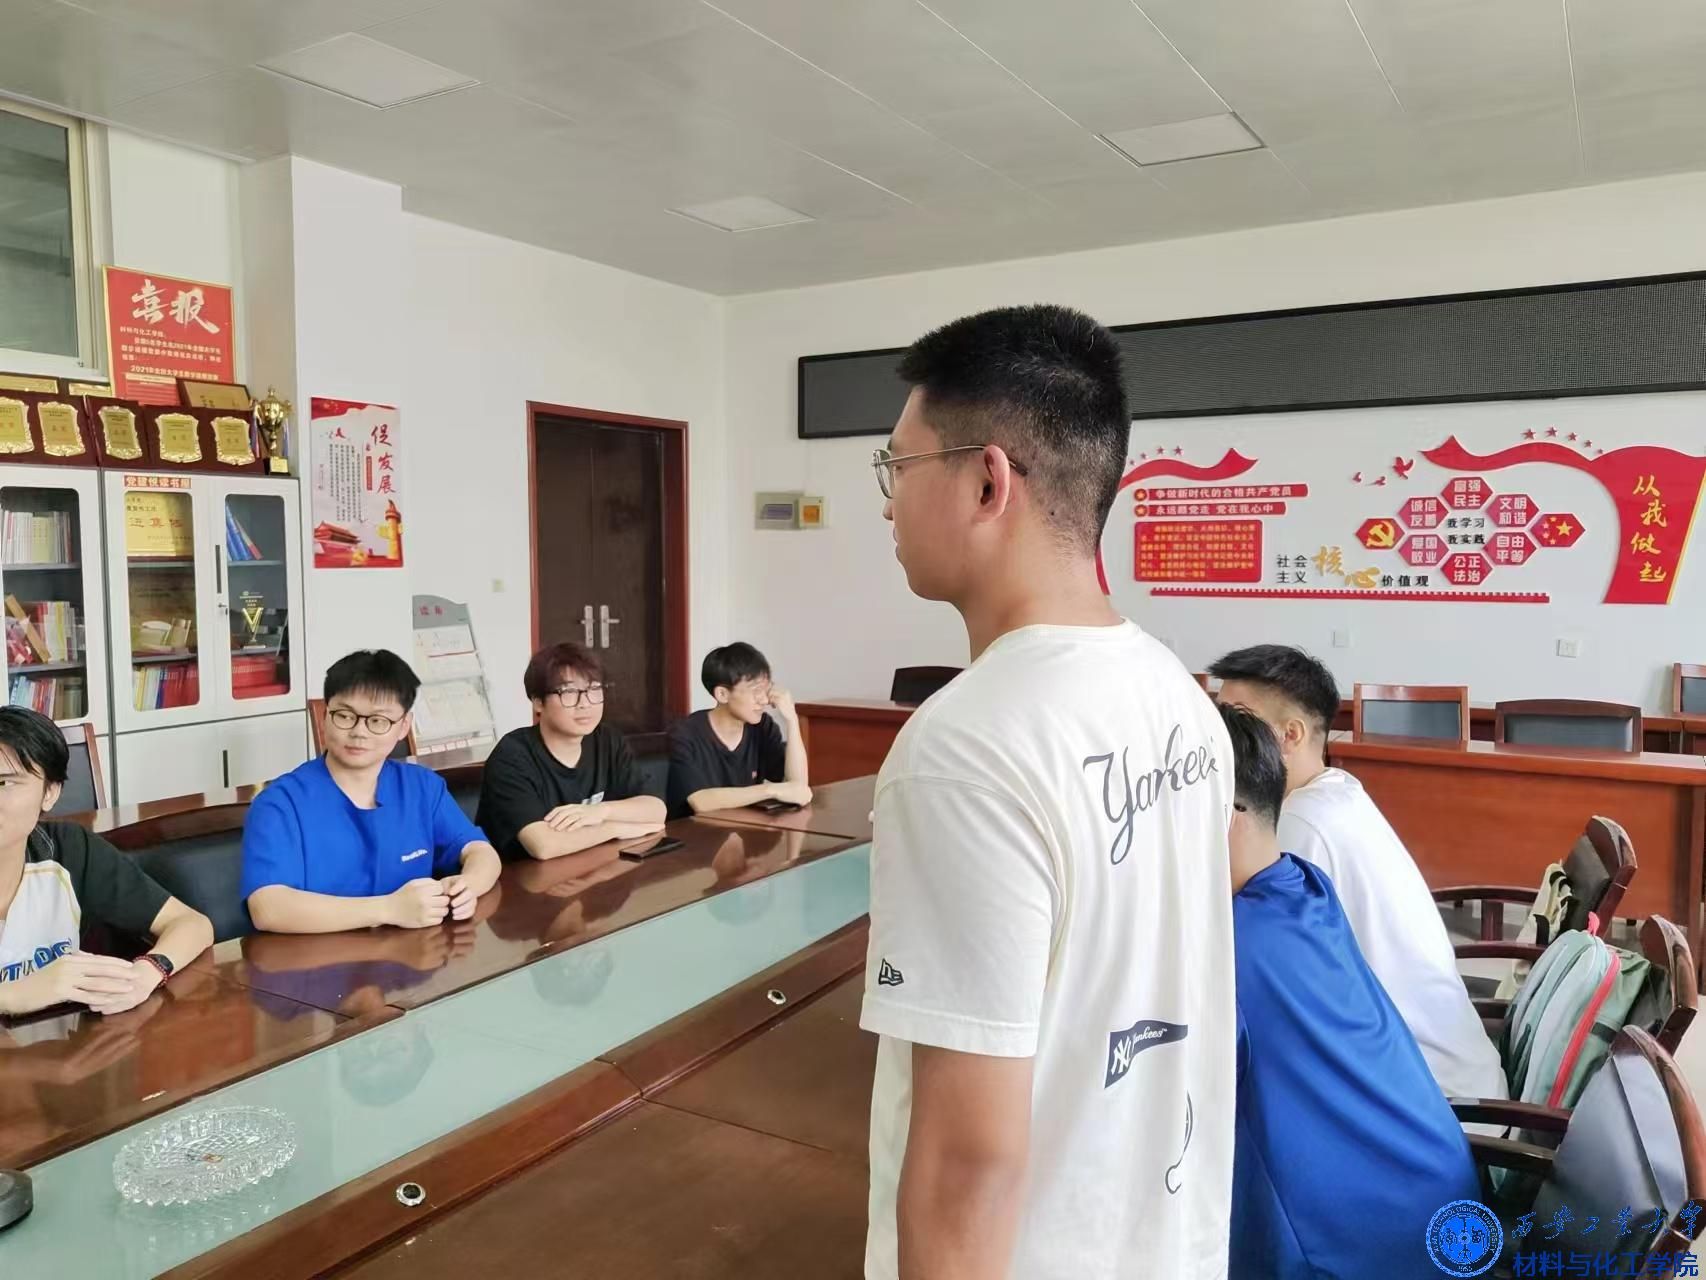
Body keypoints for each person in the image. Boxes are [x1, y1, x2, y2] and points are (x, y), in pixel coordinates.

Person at [861, 304, 1237, 1280]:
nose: (887, 504)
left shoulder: (964, 746)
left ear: (987, 481)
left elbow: (967, 1161)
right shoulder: (1178, 695)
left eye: (897, 466)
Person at [1219, 701, 1479, 1279]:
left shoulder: (1231, 948)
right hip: (1430, 1202)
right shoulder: (1303, 884)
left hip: (1372, 1252)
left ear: (1220, 815)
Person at [1209, 643, 1506, 1104]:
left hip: (1424, 1100)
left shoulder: (1301, 825)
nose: (1218, 735)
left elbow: (1252, 973)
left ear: (1290, 734)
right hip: (1438, 1074)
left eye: (1237, 719)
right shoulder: (1336, 793)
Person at [242, 649, 501, 934]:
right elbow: (268, 908)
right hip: (318, 957)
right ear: (325, 715)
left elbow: (480, 851)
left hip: (413, 955)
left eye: (377, 721)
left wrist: (467, 887)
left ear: (403, 726)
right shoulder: (280, 803)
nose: (359, 732)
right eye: (345, 716)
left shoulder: (422, 788)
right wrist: (389, 909)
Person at [0, 707, 212, 1017]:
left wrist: (145, 974)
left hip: (55, 1042)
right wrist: (11, 996)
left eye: (4, 783)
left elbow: (193, 925)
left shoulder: (69, 849)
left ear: (50, 793)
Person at [476, 642, 666, 860]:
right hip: (522, 877)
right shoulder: (512, 755)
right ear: (538, 703)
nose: (584, 703)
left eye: (594, 689)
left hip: (593, 867)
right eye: (568, 692)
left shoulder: (607, 740)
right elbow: (544, 846)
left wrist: (601, 811)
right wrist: (616, 828)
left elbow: (656, 810)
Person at [666, 642, 810, 818]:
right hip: (695, 832)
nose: (764, 700)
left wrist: (792, 720)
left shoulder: (762, 727)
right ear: (722, 694)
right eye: (756, 691)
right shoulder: (685, 733)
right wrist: (770, 790)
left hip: (745, 828)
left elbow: (799, 789)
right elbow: (700, 801)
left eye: (767, 689)